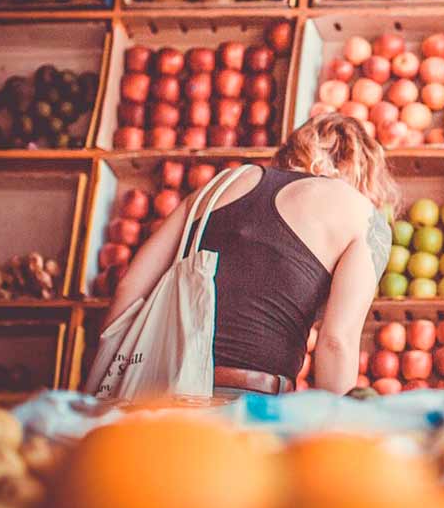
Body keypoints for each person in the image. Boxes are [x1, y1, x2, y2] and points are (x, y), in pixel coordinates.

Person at [97, 113, 396, 396]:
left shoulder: (217, 186)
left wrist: (100, 383)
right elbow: (336, 341)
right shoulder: (362, 215)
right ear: (365, 175)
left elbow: (129, 288)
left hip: (159, 390)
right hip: (249, 402)